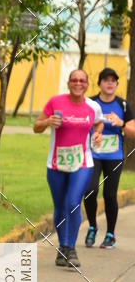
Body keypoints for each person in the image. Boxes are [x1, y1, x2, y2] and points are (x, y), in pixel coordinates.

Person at [33, 68, 103, 268]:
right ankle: (62, 248)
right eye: (74, 80)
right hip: (56, 163)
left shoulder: (93, 106)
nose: (78, 83)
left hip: (82, 162)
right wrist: (47, 122)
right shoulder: (55, 102)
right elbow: (36, 127)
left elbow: (99, 124)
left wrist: (97, 134)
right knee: (60, 206)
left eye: (82, 80)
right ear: (69, 83)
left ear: (87, 84)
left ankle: (71, 248)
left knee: (73, 202)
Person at [83, 67, 135, 249]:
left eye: (113, 80)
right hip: (93, 154)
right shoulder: (90, 103)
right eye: (106, 80)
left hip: (114, 156)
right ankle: (92, 226)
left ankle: (110, 234)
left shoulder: (123, 106)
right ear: (99, 84)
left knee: (110, 194)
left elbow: (133, 131)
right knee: (89, 191)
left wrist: (121, 124)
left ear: (117, 84)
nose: (110, 83)